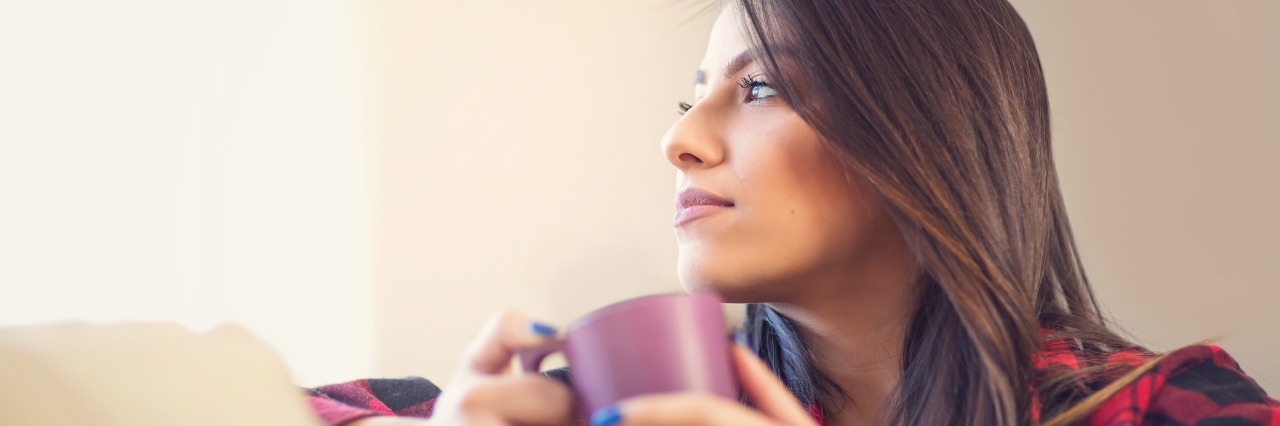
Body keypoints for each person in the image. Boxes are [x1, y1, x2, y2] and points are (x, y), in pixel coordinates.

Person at [306, 1, 1280, 425]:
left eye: (761, 87)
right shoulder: (645, 406)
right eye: (690, 96)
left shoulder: (1160, 408)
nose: (679, 139)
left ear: (924, 136)